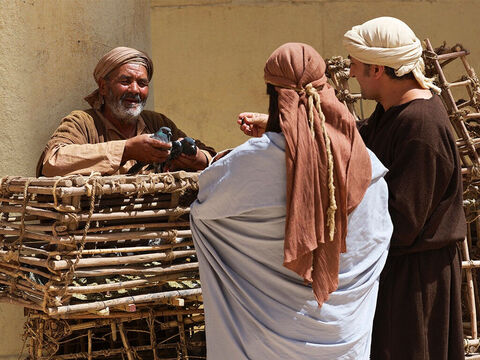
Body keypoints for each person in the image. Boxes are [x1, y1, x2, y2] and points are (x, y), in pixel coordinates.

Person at [190, 42, 392, 359]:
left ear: (272, 93)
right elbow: (375, 241)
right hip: (345, 336)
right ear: (325, 87)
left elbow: (204, 209)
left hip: (260, 343)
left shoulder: (248, 163)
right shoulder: (366, 166)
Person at [343, 17, 466, 360]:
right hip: (400, 272)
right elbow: (353, 139)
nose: (351, 73)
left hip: (417, 281)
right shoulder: (392, 113)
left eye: (355, 64)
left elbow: (403, 221)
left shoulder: (420, 124)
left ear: (378, 69)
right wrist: (285, 127)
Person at [36, 46, 215, 177]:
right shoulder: (82, 122)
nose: (135, 90)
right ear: (103, 87)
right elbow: (52, 162)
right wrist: (126, 149)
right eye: (125, 81)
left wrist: (197, 158)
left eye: (142, 83)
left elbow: (212, 158)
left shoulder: (157, 122)